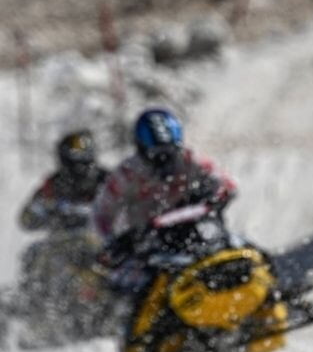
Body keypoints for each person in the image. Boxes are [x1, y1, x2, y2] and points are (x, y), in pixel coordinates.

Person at [92, 108, 236, 290]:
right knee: (125, 290)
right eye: (156, 156)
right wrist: (113, 242)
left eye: (170, 154)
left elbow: (228, 185)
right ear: (140, 150)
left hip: (198, 240)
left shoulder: (193, 162)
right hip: (147, 251)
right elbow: (100, 214)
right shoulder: (126, 174)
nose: (165, 163)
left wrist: (211, 197)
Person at [19, 129, 109, 231]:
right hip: (63, 240)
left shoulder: (106, 179)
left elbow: (125, 207)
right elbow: (26, 219)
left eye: (87, 150)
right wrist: (48, 209)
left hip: (100, 239)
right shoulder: (54, 183)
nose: (84, 156)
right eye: (78, 151)